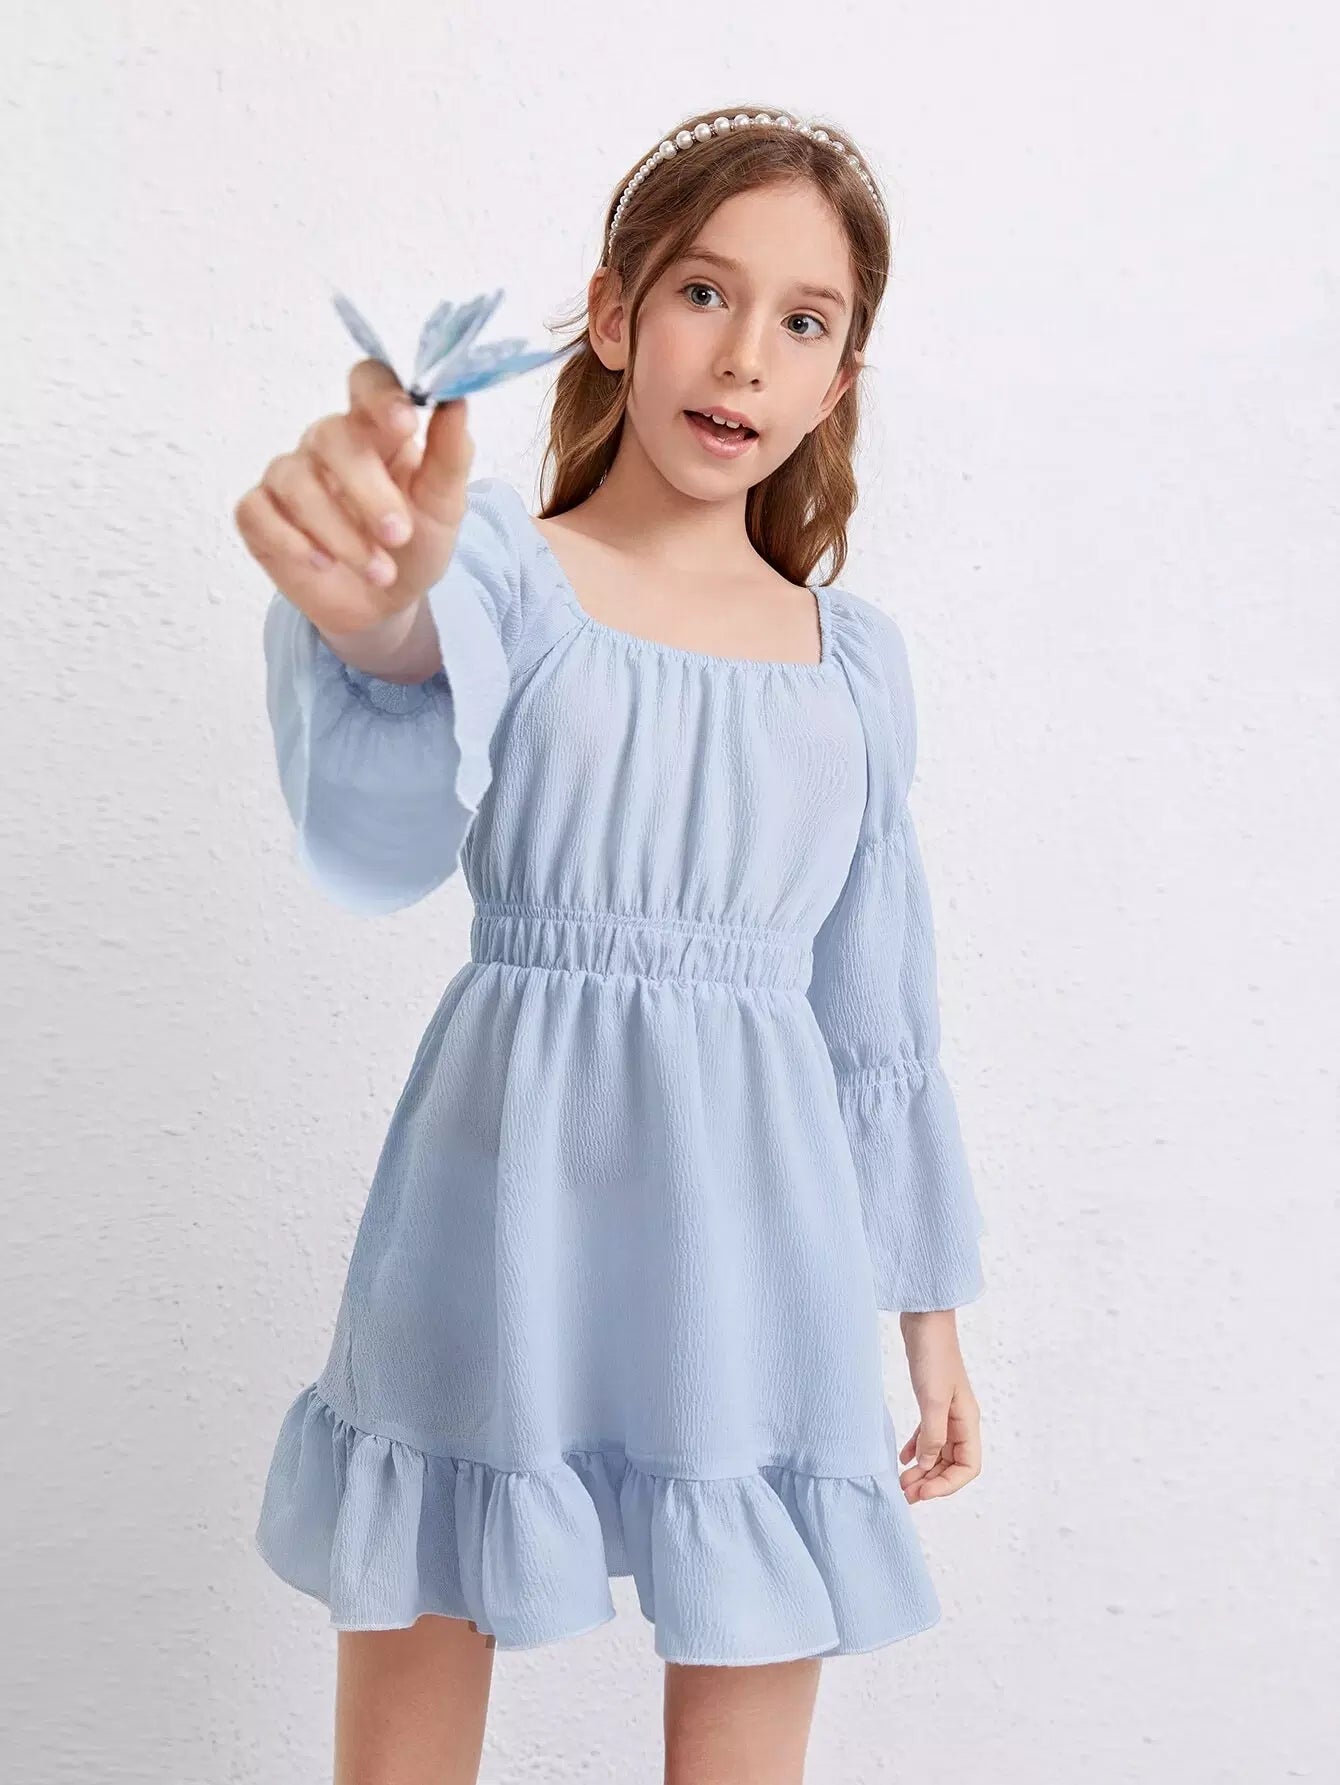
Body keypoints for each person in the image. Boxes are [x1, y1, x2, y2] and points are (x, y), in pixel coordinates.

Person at [235, 104, 987, 1785]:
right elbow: (410, 655)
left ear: (840, 380)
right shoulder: (514, 573)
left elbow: (879, 1007)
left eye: (805, 320)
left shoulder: (852, 661)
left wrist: (928, 1318)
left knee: (748, 1712)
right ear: (615, 314)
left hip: (761, 1232)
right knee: (413, 1678)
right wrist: (371, 608)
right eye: (706, 292)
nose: (746, 355)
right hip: (498, 1198)